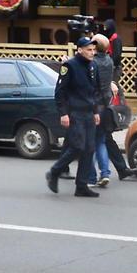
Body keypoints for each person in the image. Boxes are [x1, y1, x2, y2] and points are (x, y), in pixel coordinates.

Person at [45, 38, 101, 198]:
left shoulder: (93, 65)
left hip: (89, 113)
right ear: (80, 50)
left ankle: (81, 186)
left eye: (93, 50)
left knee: (89, 149)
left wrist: (96, 111)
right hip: (75, 113)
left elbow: (94, 91)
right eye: (89, 50)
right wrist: (63, 113)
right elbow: (60, 92)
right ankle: (54, 172)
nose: (92, 53)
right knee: (78, 146)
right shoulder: (70, 66)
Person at [90, 33, 134, 185]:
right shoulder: (108, 60)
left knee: (91, 143)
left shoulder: (92, 63)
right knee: (102, 140)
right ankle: (109, 172)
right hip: (106, 106)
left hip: (94, 106)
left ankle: (90, 175)